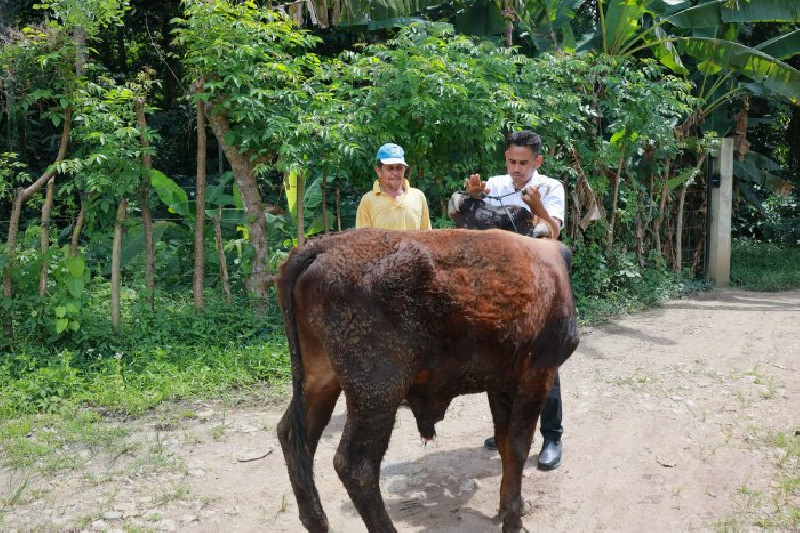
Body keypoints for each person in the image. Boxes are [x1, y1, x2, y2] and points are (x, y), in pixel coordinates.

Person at [464, 130, 565, 471]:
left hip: (540, 289)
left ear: (538, 161)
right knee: (501, 363)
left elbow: (554, 234)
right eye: (511, 161)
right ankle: (505, 429)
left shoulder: (552, 188)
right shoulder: (498, 183)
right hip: (501, 289)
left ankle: (551, 436)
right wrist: (474, 194)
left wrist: (537, 208)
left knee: (543, 364)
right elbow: (476, 200)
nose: (517, 169)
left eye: (523, 163)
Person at [356, 143, 431, 230]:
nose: (395, 173)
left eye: (399, 168)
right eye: (390, 168)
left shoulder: (418, 197)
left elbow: (426, 235)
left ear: (404, 170)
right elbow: (363, 239)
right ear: (379, 171)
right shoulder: (368, 201)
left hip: (412, 244)